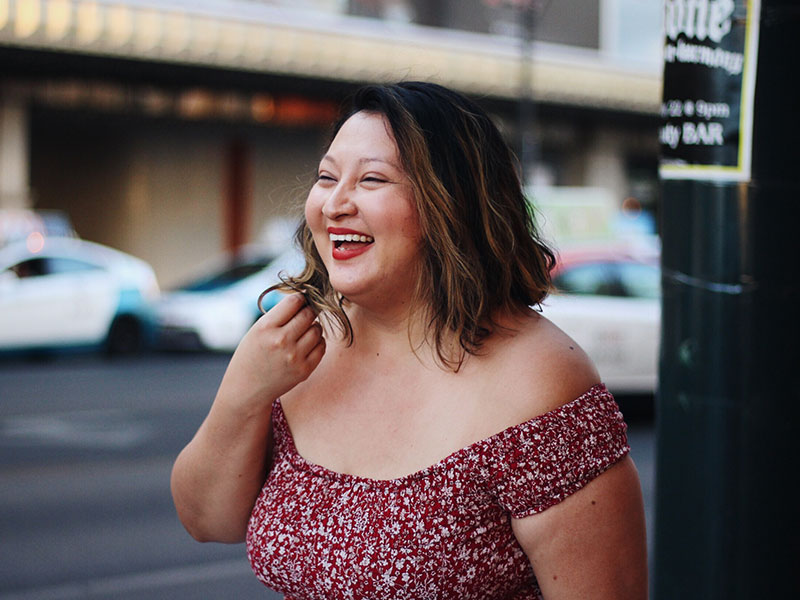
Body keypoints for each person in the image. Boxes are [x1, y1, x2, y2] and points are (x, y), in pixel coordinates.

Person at [171, 81, 648, 599]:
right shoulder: (302, 345)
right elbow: (207, 522)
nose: (334, 204)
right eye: (326, 177)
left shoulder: (541, 378)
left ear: (452, 203)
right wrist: (243, 393)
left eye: (372, 179)